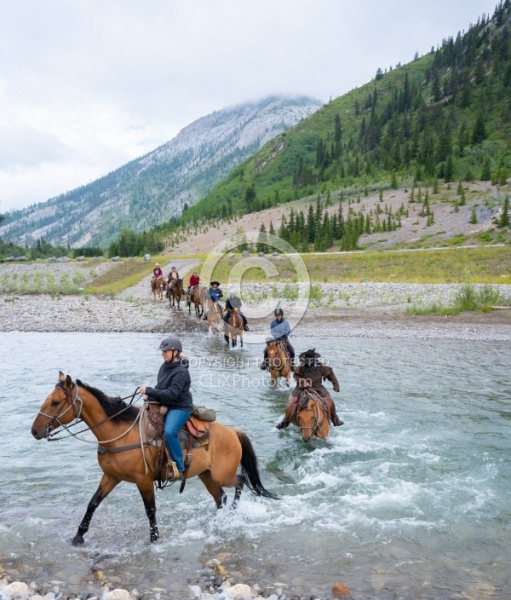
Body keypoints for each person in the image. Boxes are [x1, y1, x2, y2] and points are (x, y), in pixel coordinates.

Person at [140, 336, 193, 482]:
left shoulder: (181, 372)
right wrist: (150, 397)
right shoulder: (164, 366)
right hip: (168, 403)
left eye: (166, 351)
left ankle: (180, 468)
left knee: (170, 432)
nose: (163, 354)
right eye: (162, 351)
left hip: (180, 406)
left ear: (175, 352)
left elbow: (172, 394)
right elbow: (161, 387)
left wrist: (149, 391)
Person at [276, 348, 343, 429]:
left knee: (329, 401)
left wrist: (336, 386)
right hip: (301, 388)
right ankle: (285, 421)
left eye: (310, 360)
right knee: (292, 403)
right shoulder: (301, 366)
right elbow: (296, 376)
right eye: (307, 360)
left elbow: (331, 376)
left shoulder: (321, 366)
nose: (308, 361)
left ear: (314, 359)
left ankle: (334, 418)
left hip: (318, 387)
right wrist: (303, 382)